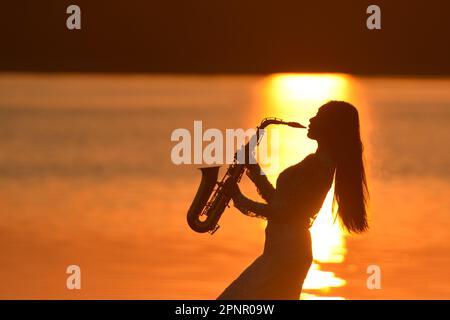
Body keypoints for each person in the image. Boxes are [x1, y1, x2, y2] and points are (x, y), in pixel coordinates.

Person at [217, 100, 369, 300]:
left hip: (286, 254)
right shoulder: (316, 162)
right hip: (280, 251)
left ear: (330, 127)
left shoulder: (318, 166)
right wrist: (253, 169)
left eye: (318, 116)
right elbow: (280, 202)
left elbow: (287, 214)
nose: (311, 119)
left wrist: (239, 199)